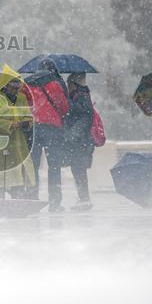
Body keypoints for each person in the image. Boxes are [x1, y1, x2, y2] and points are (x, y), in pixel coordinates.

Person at [23, 59, 70, 212]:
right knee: (54, 166)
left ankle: (31, 199)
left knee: (33, 166)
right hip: (52, 127)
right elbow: (63, 106)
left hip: (32, 127)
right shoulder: (54, 82)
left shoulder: (26, 84)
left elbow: (23, 105)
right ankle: (55, 203)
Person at [0, 68, 34, 199]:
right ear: (6, 86)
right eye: (13, 86)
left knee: (17, 174)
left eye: (18, 86)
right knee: (0, 174)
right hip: (0, 143)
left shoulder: (21, 98)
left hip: (18, 142)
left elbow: (28, 117)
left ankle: (18, 200)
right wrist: (9, 125)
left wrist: (24, 122)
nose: (16, 90)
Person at [63, 73, 96, 211]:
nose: (67, 86)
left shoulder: (81, 96)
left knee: (79, 169)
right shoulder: (79, 96)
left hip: (80, 142)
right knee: (77, 169)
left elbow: (85, 118)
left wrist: (72, 135)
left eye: (69, 83)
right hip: (79, 141)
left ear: (74, 84)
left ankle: (84, 199)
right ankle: (83, 198)